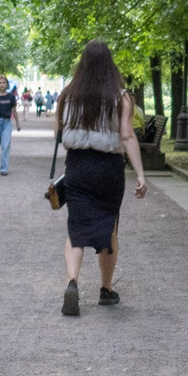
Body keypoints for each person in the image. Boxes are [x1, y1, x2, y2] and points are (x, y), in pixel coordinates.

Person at [54, 39, 149, 315]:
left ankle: (72, 281)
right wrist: (140, 173)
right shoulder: (121, 97)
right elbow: (127, 135)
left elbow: (59, 131)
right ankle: (106, 290)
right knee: (109, 228)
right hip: (108, 168)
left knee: (77, 226)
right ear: (110, 64)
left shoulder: (67, 95)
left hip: (78, 166)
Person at [0, 75, 20, 175]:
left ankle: (4, 168)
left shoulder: (11, 97)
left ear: (7, 84)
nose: (2, 84)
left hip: (6, 123)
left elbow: (14, 111)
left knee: (6, 146)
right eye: (0, 83)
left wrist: (18, 123)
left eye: (4, 83)